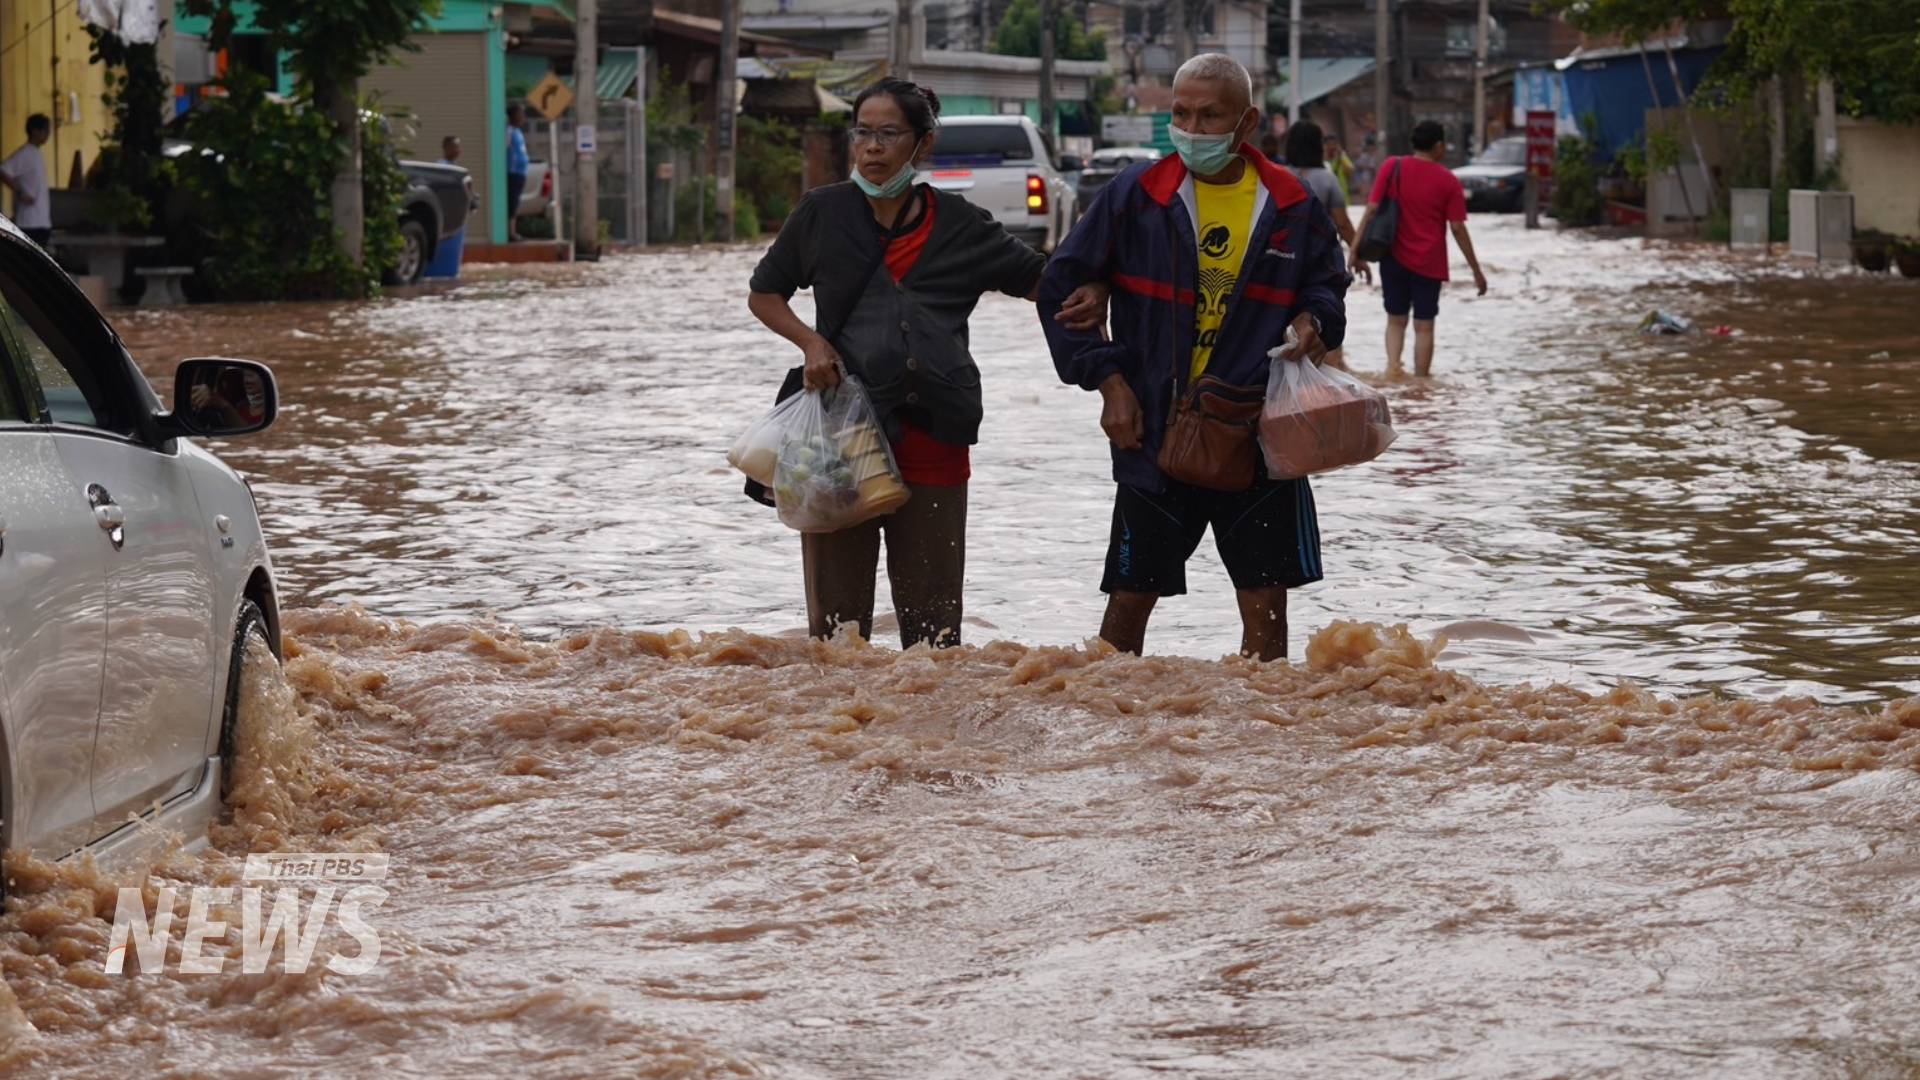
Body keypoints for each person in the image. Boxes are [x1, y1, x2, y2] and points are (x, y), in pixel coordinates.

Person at [748, 78, 1109, 649]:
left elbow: (1040, 280)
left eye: (888, 134)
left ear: (923, 146)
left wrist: (1097, 286)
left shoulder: (960, 223)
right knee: (837, 639)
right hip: (842, 437)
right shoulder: (822, 212)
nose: (870, 147)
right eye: (862, 132)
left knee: (935, 636)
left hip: (935, 431)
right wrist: (812, 344)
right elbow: (764, 294)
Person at [1037, 54, 1351, 662]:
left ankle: (1262, 742)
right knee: (1127, 607)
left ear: (1248, 122)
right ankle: (1114, 741)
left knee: (1265, 610)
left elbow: (1326, 286)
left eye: (1211, 116)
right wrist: (1109, 383)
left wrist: (1315, 321)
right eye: (1181, 113)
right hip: (1149, 429)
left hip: (1259, 432)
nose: (1193, 128)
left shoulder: (1291, 203)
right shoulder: (1135, 195)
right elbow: (1061, 288)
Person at [1348, 119, 1489, 377]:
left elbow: (1371, 210)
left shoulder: (1392, 166)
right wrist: (1476, 271)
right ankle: (1421, 385)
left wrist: (1354, 250)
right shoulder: (1448, 181)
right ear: (1438, 146)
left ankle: (1393, 372)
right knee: (1424, 326)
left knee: (1395, 319)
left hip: (1393, 259)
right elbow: (1457, 228)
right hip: (1429, 264)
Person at [1285, 119, 1368, 368]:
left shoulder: (1277, 176)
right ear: (1316, 146)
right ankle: (1331, 374)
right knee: (1325, 317)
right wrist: (1358, 255)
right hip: (1321, 263)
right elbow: (1343, 224)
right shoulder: (1328, 180)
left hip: (1282, 262)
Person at [1, 114, 53, 248]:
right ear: (35, 131)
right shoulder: (25, 153)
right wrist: (20, 192)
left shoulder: (36, 153)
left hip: (41, 221)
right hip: (29, 223)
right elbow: (3, 171)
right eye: (45, 131)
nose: (48, 134)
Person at [505, 104, 529, 241]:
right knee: (512, 202)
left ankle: (513, 231)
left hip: (520, 173)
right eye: (520, 114)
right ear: (512, 116)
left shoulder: (518, 132)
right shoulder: (508, 131)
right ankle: (511, 232)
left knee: (516, 202)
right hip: (512, 173)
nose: (523, 117)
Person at [1323, 131, 1357, 202]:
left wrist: (1340, 157)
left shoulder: (1342, 157)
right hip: (1327, 199)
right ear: (1325, 146)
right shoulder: (1320, 160)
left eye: (1334, 144)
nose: (1332, 147)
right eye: (1330, 145)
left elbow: (1351, 171)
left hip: (1343, 199)